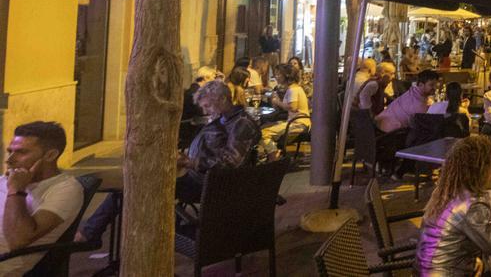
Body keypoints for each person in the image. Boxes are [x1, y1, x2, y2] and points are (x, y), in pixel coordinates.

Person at [82, 81, 262, 247]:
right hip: (201, 179)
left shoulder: (241, 123)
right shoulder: (222, 119)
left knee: (138, 186)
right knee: (135, 182)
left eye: (207, 105)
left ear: (223, 99)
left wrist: (191, 162)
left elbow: (231, 162)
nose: (205, 111)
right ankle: (94, 231)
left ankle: (93, 233)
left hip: (211, 186)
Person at [416, 135, 491, 276]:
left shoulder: (447, 188)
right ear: (478, 170)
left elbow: (449, 241)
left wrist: (469, 260)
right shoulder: (472, 206)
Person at [0, 122, 83, 275]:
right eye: (9, 151)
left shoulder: (65, 189)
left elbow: (17, 240)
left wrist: (16, 190)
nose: (9, 160)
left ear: (50, 155)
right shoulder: (5, 180)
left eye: (21, 152)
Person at [261, 65, 310, 152]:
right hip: (296, 122)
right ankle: (274, 153)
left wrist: (277, 102)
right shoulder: (293, 88)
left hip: (298, 124)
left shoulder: (293, 90)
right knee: (263, 127)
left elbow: (293, 107)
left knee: (264, 133)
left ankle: (274, 156)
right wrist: (276, 99)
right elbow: (284, 106)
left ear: (287, 76)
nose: (276, 77)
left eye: (279, 74)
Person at [378, 69, 440, 134]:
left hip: (385, 128)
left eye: (436, 84)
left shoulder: (413, 93)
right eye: (431, 85)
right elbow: (421, 126)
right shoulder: (417, 103)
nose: (435, 88)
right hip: (389, 134)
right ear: (421, 85)